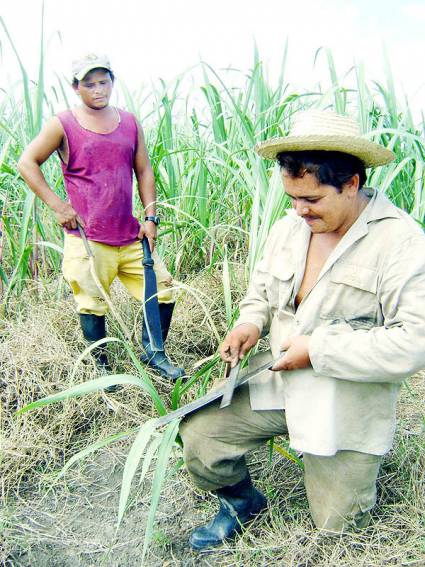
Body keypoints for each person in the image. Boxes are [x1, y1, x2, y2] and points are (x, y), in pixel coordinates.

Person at [179, 110, 425, 550]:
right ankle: (241, 502)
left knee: (337, 531)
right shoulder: (289, 228)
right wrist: (249, 322)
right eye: (292, 197)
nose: (298, 210)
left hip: (342, 402)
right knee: (200, 436)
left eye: (311, 198)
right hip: (277, 379)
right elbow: (260, 290)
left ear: (351, 183)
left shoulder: (402, 242)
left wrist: (316, 349)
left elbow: (413, 343)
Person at [18, 53, 184, 381]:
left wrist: (151, 218)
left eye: (103, 82)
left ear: (112, 81)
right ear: (75, 87)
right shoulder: (62, 124)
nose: (98, 89)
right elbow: (27, 162)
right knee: (92, 304)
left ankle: (153, 353)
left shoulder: (129, 122)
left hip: (131, 236)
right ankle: (101, 369)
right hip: (88, 240)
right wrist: (58, 206)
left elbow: (144, 169)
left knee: (164, 292)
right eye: (89, 84)